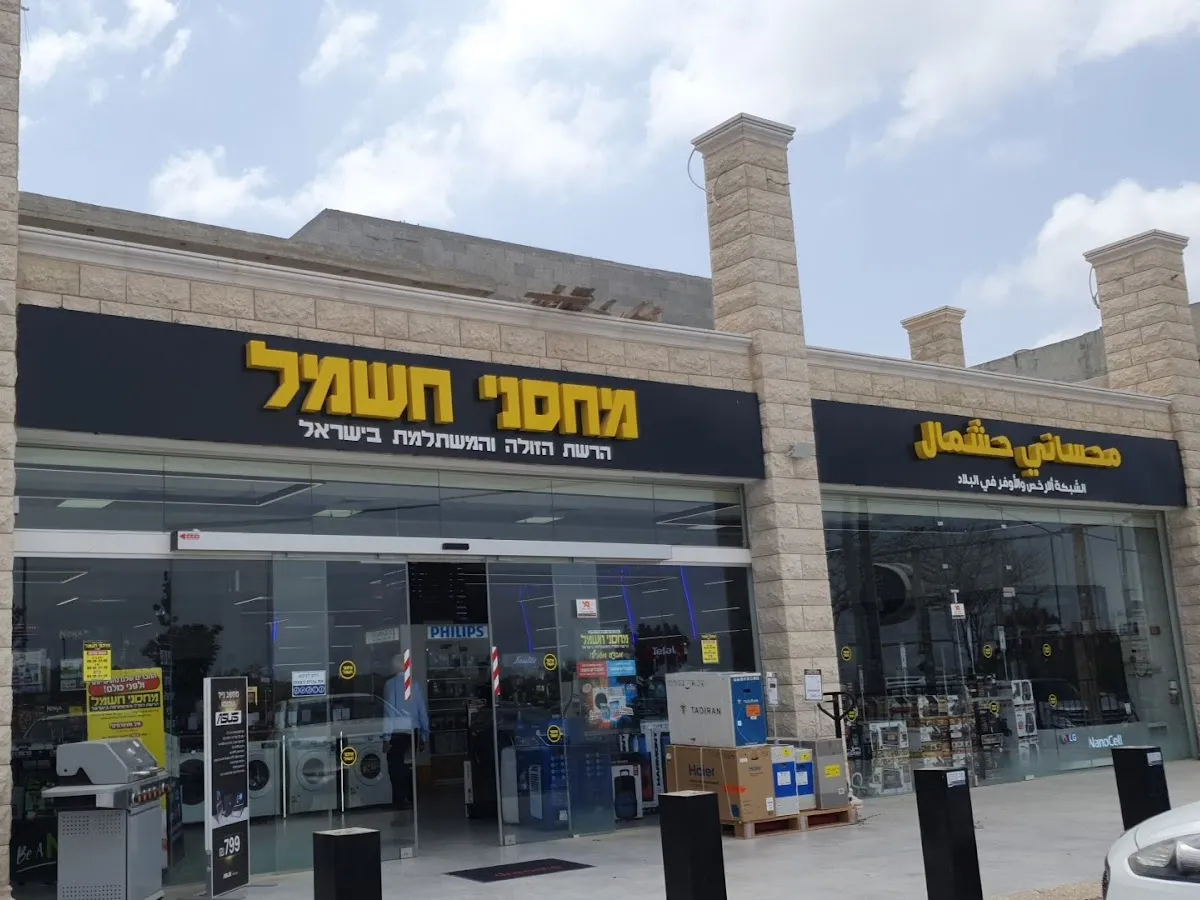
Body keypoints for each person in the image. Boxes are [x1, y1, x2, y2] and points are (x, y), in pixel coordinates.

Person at [383, 653, 429, 813]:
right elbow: (422, 710)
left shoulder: (390, 685)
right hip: (413, 731)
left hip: (397, 733)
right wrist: (424, 734)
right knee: (409, 766)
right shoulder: (414, 685)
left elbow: (389, 711)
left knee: (396, 767)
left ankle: (400, 800)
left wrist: (386, 737)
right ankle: (412, 797)